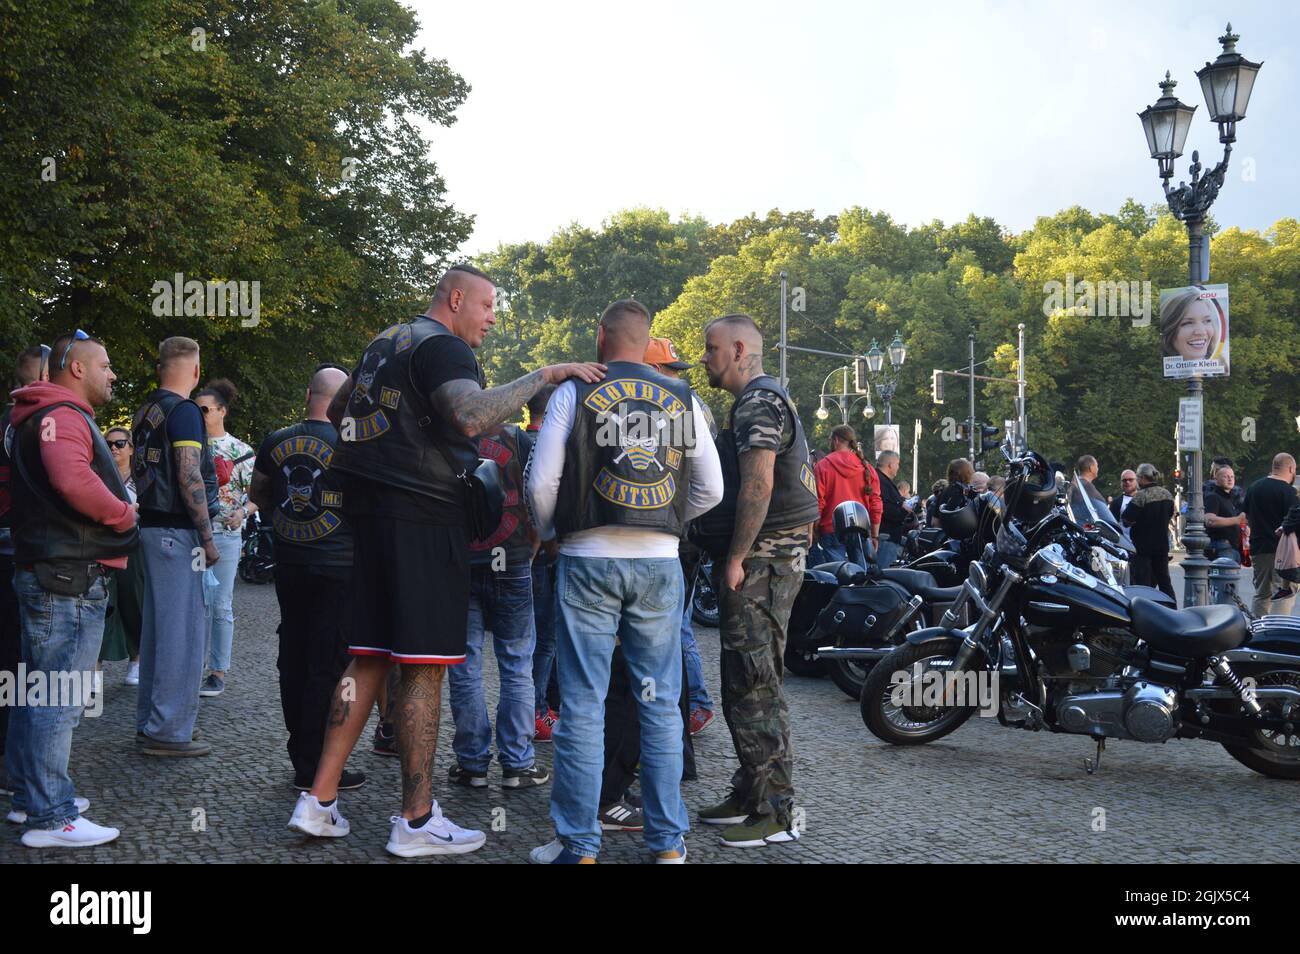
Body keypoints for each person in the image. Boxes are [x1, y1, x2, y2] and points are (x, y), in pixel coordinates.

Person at [287, 264, 604, 858]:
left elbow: (337, 417)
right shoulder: (444, 346)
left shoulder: (386, 341)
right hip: (423, 517)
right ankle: (416, 819)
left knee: (369, 657)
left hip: (371, 515)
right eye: (486, 306)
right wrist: (543, 375)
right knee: (425, 665)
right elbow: (469, 415)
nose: (490, 318)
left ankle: (318, 799)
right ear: (456, 299)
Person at [525, 300, 723, 864]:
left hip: (586, 554)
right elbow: (712, 489)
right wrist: (665, 527)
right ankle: (667, 846)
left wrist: (550, 532)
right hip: (660, 562)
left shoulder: (573, 392)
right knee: (661, 702)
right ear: (648, 341)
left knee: (583, 704)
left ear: (600, 336)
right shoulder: (684, 399)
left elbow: (543, 482)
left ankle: (578, 847)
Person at [6, 331, 137, 846]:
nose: (113, 375)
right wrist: (126, 513)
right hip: (67, 577)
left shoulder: (40, 415)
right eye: (105, 366)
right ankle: (50, 816)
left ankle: (30, 798)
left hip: (53, 571)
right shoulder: (61, 416)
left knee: (39, 692)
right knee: (57, 697)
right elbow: (73, 482)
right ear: (77, 370)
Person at [697, 313, 819, 850]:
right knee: (744, 678)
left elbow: (758, 485)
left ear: (740, 348)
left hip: (764, 561)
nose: (705, 357)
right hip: (770, 557)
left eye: (711, 347)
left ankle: (776, 810)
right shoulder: (763, 399)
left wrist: (736, 558)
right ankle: (750, 790)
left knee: (755, 681)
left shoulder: (758, 403)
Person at [250, 365, 366, 792]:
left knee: (293, 656)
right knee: (329, 666)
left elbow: (258, 492)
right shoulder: (351, 443)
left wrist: (284, 523)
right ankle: (318, 766)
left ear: (307, 394)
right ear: (343, 401)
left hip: (290, 562)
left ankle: (301, 753)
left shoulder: (277, 441)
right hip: (338, 566)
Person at [447, 418, 549, 790]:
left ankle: (472, 764)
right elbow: (539, 489)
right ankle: (518, 764)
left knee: (465, 664)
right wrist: (534, 543)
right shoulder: (516, 438)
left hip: (460, 562)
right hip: (512, 558)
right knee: (517, 662)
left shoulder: (444, 431)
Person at [132, 337, 219, 757]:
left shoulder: (147, 409)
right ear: (196, 371)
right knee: (183, 634)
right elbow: (189, 476)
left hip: (150, 528)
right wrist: (207, 537)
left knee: (158, 633)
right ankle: (168, 732)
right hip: (177, 533)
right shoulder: (184, 412)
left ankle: (153, 722)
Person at [644, 336, 716, 740]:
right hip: (682, 530)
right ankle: (690, 703)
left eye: (674, 370)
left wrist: (674, 518)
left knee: (678, 624)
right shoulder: (689, 405)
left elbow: (706, 484)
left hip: (679, 533)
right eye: (670, 369)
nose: (676, 376)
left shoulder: (678, 406)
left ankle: (698, 702)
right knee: (675, 622)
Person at [1, 345, 48, 795]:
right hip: (20, 545)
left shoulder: (11, 419)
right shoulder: (34, 424)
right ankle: (22, 779)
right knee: (24, 663)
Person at [195, 379, 257, 698]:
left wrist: (242, 513)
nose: (200, 414)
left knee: (220, 604)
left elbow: (258, 495)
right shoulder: (187, 446)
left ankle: (217, 671)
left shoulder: (241, 451)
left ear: (222, 411)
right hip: (191, 536)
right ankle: (190, 666)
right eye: (196, 409)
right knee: (193, 603)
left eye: (205, 409)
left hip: (225, 534)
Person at [525, 384, 561, 742]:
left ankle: (539, 707)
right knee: (544, 639)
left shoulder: (516, 441)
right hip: (539, 557)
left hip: (515, 553)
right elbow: (539, 501)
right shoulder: (547, 448)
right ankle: (535, 711)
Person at [98, 427, 144, 685]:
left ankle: (136, 658)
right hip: (103, 545)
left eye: (120, 443)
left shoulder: (142, 479)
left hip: (134, 547)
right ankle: (95, 667)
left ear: (131, 448)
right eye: (109, 444)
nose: (114, 448)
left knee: (133, 602)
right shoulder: (99, 476)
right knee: (102, 605)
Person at [812, 425, 881, 565]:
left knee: (837, 576)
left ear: (836, 440)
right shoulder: (866, 468)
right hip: (860, 529)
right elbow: (876, 504)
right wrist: (874, 535)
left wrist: (814, 530)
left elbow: (818, 502)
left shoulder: (822, 466)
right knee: (861, 577)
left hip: (830, 529)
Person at [1244, 453, 1300, 617]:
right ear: (1290, 468)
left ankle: (1257, 631)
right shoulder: (1290, 493)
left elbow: (1246, 517)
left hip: (1259, 549)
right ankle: (1276, 634)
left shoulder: (1254, 487)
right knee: (1284, 593)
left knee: (1262, 593)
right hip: (1284, 553)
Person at [1123, 463, 1176, 600]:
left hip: (1143, 548)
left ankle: (1146, 612)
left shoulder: (1140, 496)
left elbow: (1127, 520)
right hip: (1162, 546)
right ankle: (1172, 608)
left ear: (1141, 478)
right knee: (1164, 582)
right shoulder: (1167, 494)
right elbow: (1171, 514)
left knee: (1144, 585)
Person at [1160, 288, 1223, 368]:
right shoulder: (1158, 371)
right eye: (1188, 323)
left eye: (1207, 321)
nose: (1201, 332)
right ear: (1169, 329)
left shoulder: (1221, 368)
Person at [875, 450, 911, 569]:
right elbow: (884, 508)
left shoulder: (881, 480)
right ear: (890, 464)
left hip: (887, 536)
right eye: (897, 464)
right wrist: (903, 509)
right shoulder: (880, 481)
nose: (898, 467)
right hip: (885, 537)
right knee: (884, 575)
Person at [1204, 464, 1246, 564]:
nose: (1230, 479)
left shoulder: (1230, 499)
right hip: (1221, 547)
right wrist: (1237, 520)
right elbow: (1210, 520)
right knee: (1224, 579)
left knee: (1230, 579)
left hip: (1232, 548)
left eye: (1232, 477)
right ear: (1216, 478)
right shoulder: (1213, 497)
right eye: (1226, 476)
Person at [1109, 469, 1138, 544]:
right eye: (1124, 480)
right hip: (1125, 545)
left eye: (1130, 480)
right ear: (1121, 483)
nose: (1127, 482)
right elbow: (1111, 525)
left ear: (1136, 481)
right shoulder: (1115, 503)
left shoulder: (1146, 499)